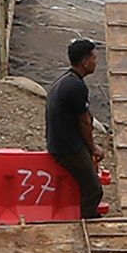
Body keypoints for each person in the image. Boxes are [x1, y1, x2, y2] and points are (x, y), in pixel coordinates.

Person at [47, 38, 104, 216]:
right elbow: (84, 122)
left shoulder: (65, 80)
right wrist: (93, 148)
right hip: (68, 148)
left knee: (89, 184)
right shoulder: (76, 86)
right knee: (94, 190)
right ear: (85, 62)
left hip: (59, 142)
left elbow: (84, 115)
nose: (96, 62)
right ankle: (88, 223)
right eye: (94, 58)